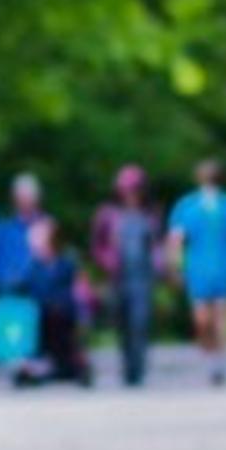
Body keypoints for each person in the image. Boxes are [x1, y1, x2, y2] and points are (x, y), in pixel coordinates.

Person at [166, 159, 226, 384]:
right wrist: (176, 266)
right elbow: (176, 239)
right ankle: (211, 355)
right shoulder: (186, 205)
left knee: (222, 318)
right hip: (197, 270)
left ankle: (218, 366)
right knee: (202, 321)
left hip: (224, 268)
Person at [89, 164, 165, 389]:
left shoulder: (150, 214)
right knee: (122, 322)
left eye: (135, 189)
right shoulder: (107, 214)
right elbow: (97, 245)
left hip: (142, 276)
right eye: (127, 189)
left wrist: (160, 264)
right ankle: (127, 364)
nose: (131, 194)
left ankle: (138, 367)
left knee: (139, 321)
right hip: (117, 276)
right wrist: (106, 261)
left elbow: (156, 245)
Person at [12, 216, 93, 388]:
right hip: (41, 316)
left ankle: (71, 362)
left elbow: (80, 290)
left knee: (60, 318)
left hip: (63, 314)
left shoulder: (66, 264)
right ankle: (38, 365)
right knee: (39, 319)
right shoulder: (32, 268)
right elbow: (21, 289)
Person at [0, 172, 50, 297]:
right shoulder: (3, 230)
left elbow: (54, 265)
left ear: (37, 199)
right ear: (14, 199)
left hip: (39, 296)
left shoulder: (48, 226)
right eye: (20, 196)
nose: (24, 200)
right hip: (7, 294)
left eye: (28, 196)